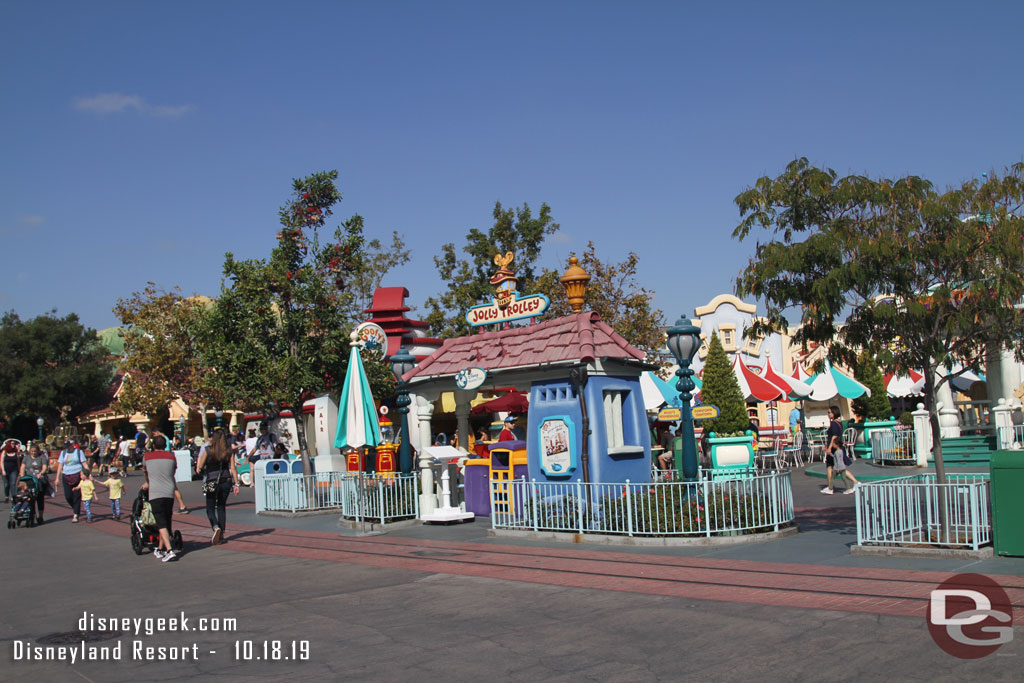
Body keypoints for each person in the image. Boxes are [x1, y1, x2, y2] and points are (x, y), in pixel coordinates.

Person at [195, 428, 239, 546]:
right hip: (226, 480)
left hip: (211, 480)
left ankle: (215, 527)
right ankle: (222, 534)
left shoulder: (208, 450)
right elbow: (233, 468)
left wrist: (202, 468)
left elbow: (199, 466)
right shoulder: (229, 451)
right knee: (221, 507)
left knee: (210, 507)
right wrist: (236, 483)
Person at [142, 434, 179, 562]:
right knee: (166, 520)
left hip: (155, 491)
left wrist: (149, 482)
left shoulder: (147, 457)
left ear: (153, 445)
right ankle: (159, 548)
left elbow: (146, 473)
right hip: (169, 491)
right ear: (165, 445)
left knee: (161, 522)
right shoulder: (171, 456)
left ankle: (169, 550)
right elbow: (173, 472)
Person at [822, 405, 859, 495]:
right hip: (838, 447)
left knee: (830, 467)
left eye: (829, 412)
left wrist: (830, 447)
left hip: (834, 448)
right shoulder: (839, 422)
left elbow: (834, 436)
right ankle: (855, 483)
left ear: (834, 413)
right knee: (838, 467)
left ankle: (831, 488)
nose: (828, 414)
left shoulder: (834, 423)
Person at [54, 441, 88, 523]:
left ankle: (76, 514)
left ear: (72, 445)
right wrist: (57, 478)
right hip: (66, 475)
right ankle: (75, 508)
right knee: (68, 496)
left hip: (77, 475)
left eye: (69, 446)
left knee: (76, 496)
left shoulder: (79, 452)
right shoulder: (63, 453)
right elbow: (60, 465)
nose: (67, 448)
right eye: (66, 446)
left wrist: (87, 474)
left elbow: (84, 464)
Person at [20, 443, 50, 523]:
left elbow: (44, 467)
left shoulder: (42, 457)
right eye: (32, 451)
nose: (33, 453)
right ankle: (31, 514)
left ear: (38, 451)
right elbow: (23, 467)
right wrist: (22, 476)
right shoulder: (26, 457)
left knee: (40, 498)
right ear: (30, 451)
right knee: (30, 498)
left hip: (39, 479)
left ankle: (40, 516)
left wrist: (40, 473)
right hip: (30, 479)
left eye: (35, 451)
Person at [2, 439, 21, 503]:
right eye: (12, 443)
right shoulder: (4, 452)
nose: (13, 445)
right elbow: (1, 462)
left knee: (13, 483)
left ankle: (13, 497)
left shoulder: (16, 453)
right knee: (6, 484)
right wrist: (3, 470)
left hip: (14, 470)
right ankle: (7, 496)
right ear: (9, 444)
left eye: (14, 444)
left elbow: (18, 462)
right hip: (6, 470)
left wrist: (19, 470)